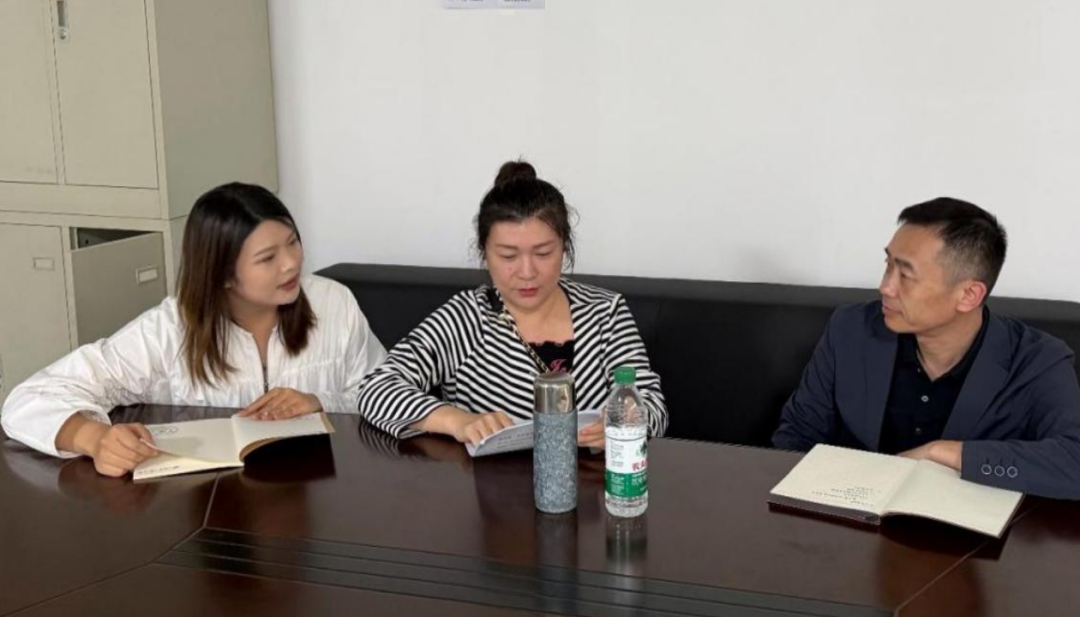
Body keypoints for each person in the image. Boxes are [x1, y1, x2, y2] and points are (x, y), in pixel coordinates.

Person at [1, 182, 387, 477]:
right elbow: (28, 400)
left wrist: (320, 401)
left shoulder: (333, 304)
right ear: (222, 274)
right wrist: (95, 439)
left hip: (322, 496)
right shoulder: (170, 329)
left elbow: (389, 394)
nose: (291, 264)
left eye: (293, 242)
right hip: (211, 506)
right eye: (268, 258)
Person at [773, 197, 1080, 499]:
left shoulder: (1038, 361)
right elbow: (796, 437)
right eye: (888, 265)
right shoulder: (850, 329)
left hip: (968, 528)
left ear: (969, 295)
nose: (885, 287)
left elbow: (1074, 460)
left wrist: (943, 453)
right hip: (852, 518)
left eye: (905, 275)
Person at [358, 161, 667, 447]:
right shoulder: (466, 318)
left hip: (594, 485)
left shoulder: (605, 312)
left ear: (565, 247)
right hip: (492, 486)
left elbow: (653, 407)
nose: (527, 272)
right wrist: (458, 421)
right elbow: (376, 389)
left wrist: (625, 423)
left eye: (543, 253)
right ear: (484, 252)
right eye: (508, 256)